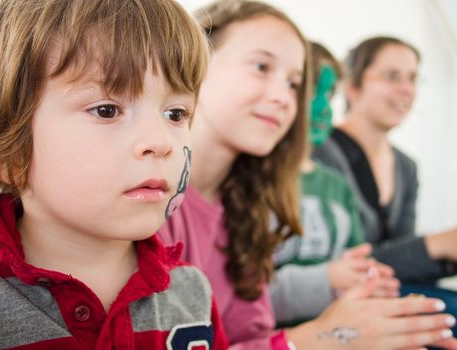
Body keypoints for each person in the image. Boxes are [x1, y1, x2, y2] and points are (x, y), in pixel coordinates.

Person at [159, 2, 457, 349]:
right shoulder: (149, 199)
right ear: (199, 61)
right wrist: (322, 337)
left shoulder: (246, 206)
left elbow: (252, 334)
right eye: (261, 66)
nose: (285, 98)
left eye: (292, 83)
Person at [0, 0, 228, 349]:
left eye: (176, 114)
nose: (160, 142)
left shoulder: (192, 295)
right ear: (7, 150)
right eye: (106, 110)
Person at [313, 36, 457, 321]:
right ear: (352, 86)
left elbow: (406, 264)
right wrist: (436, 245)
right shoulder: (320, 151)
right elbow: (338, 264)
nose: (406, 90)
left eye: (413, 78)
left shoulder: (406, 167)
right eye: (392, 77)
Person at [270, 41, 399, 328]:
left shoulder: (337, 186)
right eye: (311, 93)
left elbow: (357, 261)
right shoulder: (255, 182)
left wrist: (371, 282)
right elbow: (236, 299)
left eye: (329, 95)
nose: (323, 108)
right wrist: (328, 279)